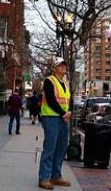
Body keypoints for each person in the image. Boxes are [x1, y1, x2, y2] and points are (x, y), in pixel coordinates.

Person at [37, 57, 72, 190]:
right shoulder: (49, 81)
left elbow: (68, 100)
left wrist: (68, 112)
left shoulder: (65, 82)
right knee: (50, 148)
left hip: (63, 118)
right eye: (60, 65)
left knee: (61, 148)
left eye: (64, 64)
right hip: (51, 117)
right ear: (55, 68)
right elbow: (51, 100)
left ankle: (56, 176)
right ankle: (44, 178)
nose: (63, 66)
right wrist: (63, 113)